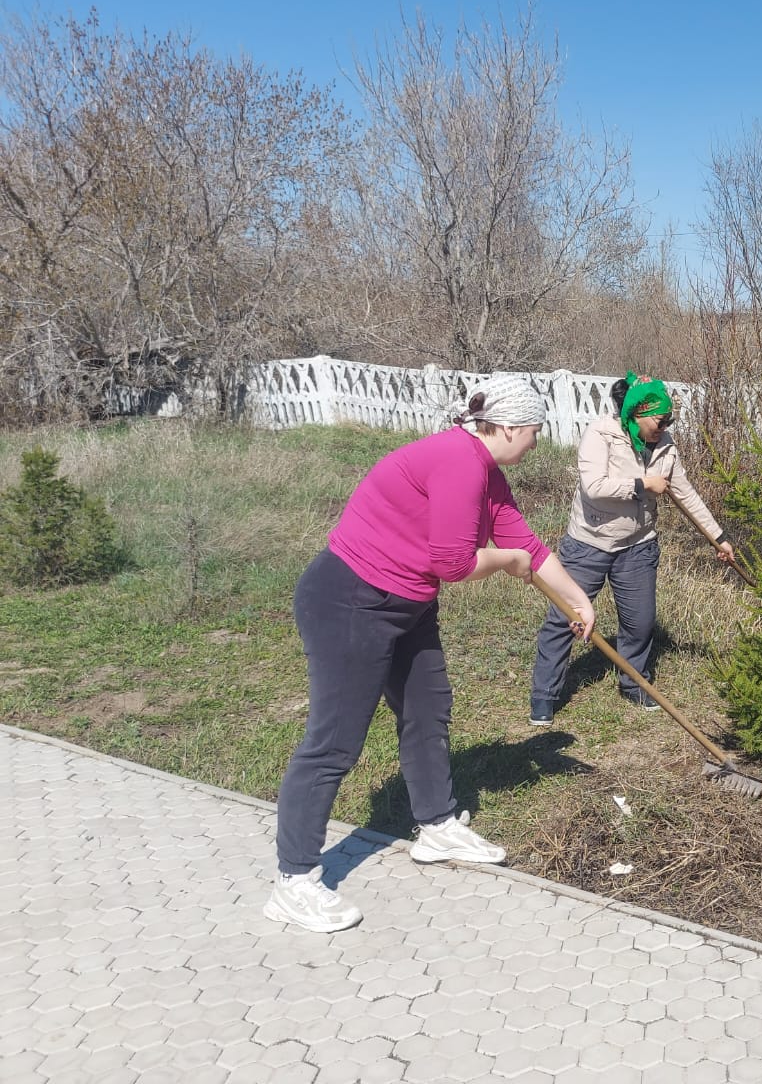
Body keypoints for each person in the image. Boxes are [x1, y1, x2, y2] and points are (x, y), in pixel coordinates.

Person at [266, 374, 596, 933]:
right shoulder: (459, 462)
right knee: (334, 741)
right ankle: (293, 880)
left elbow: (526, 543)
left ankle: (437, 827)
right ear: (508, 427)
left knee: (428, 707)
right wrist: (509, 563)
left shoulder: (486, 471)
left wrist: (577, 600)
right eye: (534, 431)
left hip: (407, 602)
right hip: (351, 600)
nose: (537, 442)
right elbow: (455, 563)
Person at [530, 372, 735, 725]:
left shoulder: (665, 444)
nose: (665, 426)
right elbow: (594, 486)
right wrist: (642, 484)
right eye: (660, 420)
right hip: (589, 543)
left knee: (640, 623)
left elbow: (684, 492)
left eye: (669, 420)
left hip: (638, 546)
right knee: (565, 617)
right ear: (637, 413)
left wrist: (717, 537)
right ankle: (544, 694)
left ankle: (634, 683)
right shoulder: (601, 434)